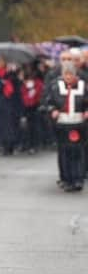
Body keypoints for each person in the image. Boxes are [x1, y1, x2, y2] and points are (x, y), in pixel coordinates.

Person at [48, 62, 87, 191]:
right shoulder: (55, 86)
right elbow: (49, 102)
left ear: (75, 74)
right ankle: (67, 179)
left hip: (79, 124)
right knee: (65, 152)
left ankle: (78, 179)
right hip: (62, 124)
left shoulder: (83, 86)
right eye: (66, 74)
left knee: (78, 151)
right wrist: (52, 110)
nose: (68, 77)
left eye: (71, 74)